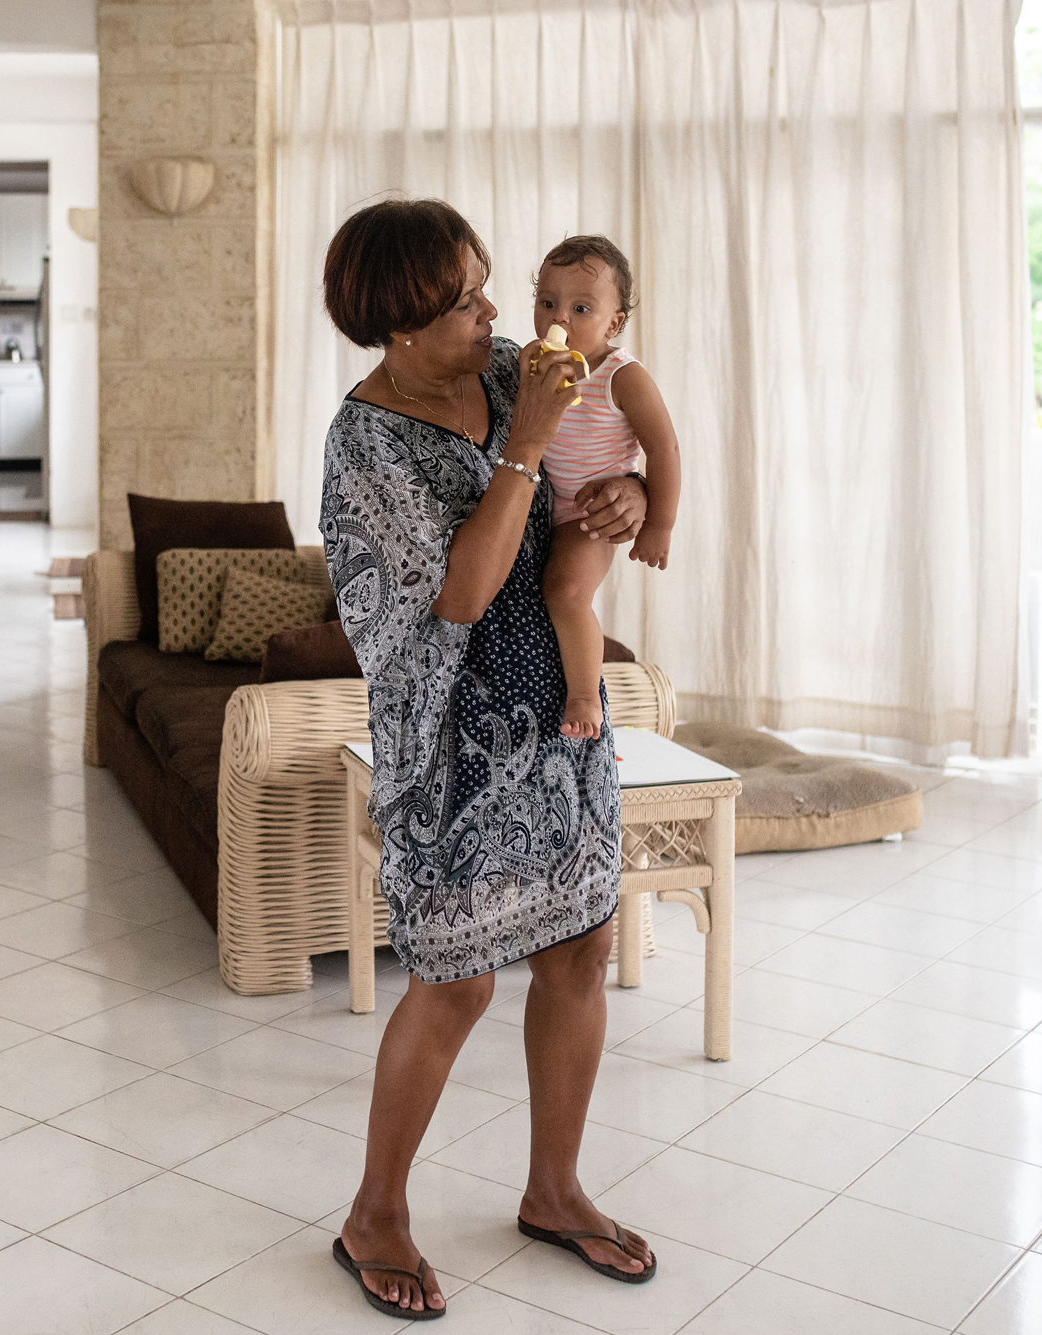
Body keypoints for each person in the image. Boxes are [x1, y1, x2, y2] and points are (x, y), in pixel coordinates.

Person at [318, 199, 657, 1321]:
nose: (494, 310)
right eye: (464, 299)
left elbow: (605, 440)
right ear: (399, 327)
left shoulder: (521, 366)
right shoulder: (365, 443)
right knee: (455, 980)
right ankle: (374, 1213)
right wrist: (518, 452)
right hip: (451, 741)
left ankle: (553, 1191)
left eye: (482, 282)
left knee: (579, 944)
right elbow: (458, 596)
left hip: (559, 714)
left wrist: (634, 490)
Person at [532, 235, 682, 740]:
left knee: (566, 592)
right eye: (547, 302)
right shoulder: (532, 365)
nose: (560, 319)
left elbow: (665, 449)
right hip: (540, 510)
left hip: (587, 517)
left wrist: (658, 523)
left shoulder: (621, 376)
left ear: (613, 323)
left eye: (580, 307)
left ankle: (583, 695)